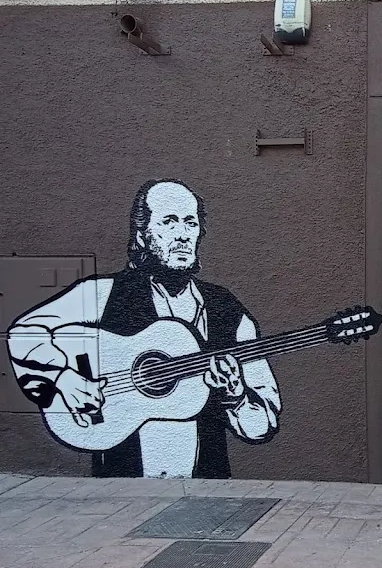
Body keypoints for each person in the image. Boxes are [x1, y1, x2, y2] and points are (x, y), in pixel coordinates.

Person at [6, 179, 281, 478]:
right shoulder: (105, 293)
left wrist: (236, 395)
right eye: (169, 222)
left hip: (207, 490)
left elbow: (262, 428)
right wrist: (64, 378)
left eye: (190, 223)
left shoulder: (228, 311)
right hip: (120, 494)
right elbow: (26, 331)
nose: (182, 235)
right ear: (142, 234)